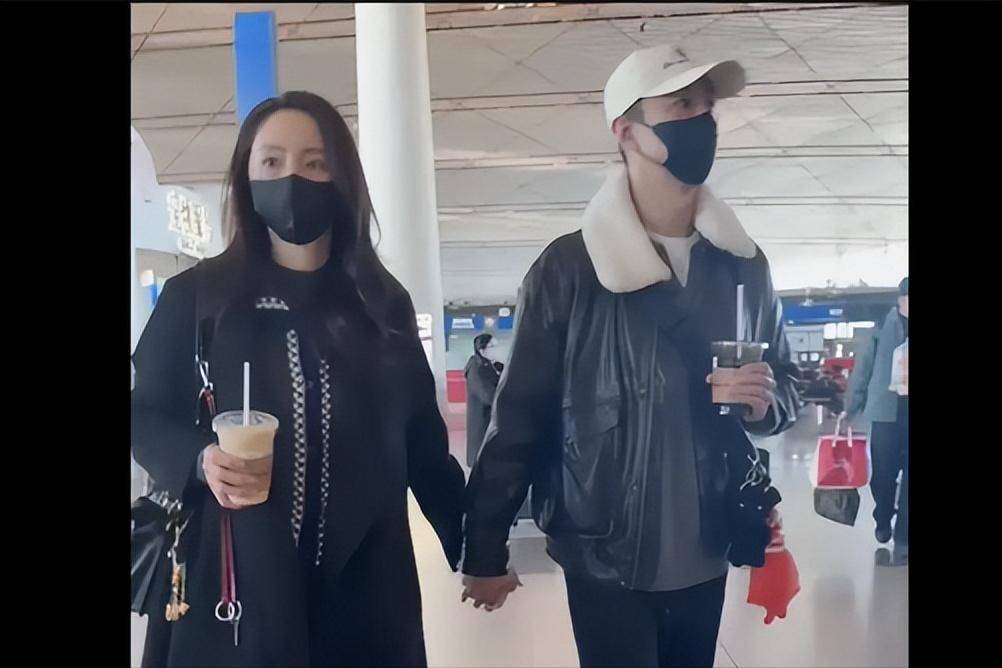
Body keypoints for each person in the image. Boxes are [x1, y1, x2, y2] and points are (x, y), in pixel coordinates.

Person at [460, 45, 800, 667]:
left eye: (707, 105)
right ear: (626, 131)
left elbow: (789, 388)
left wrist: (763, 403)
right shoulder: (569, 269)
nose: (701, 119)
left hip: (708, 543)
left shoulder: (743, 265)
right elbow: (520, 417)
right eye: (681, 104)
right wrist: (483, 546)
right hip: (603, 550)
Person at [131, 91, 465, 667]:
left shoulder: (379, 303)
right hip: (231, 585)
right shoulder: (200, 299)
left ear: (342, 177)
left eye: (315, 162)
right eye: (272, 161)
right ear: (246, 178)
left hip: (365, 590)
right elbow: (143, 413)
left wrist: (475, 545)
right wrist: (199, 459)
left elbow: (422, 444)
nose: (292, 178)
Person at [845, 277, 908, 556]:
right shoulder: (882, 328)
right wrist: (851, 407)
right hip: (886, 414)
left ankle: (904, 536)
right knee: (883, 473)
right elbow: (863, 369)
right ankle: (883, 517)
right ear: (901, 299)